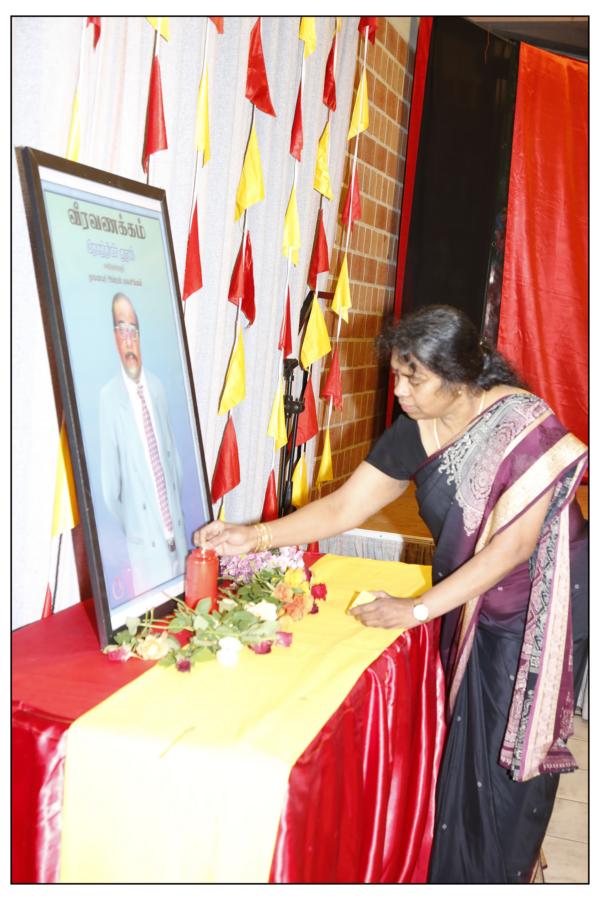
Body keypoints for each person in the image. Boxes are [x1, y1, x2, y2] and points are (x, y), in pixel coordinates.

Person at [194, 305, 588, 884]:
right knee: (466, 753)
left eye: (414, 379)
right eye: (397, 375)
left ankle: (508, 871)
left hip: (538, 609)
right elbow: (345, 507)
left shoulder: (521, 425)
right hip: (469, 600)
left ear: (460, 377)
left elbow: (513, 548)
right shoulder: (412, 432)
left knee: (507, 765)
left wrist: (417, 609)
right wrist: (253, 535)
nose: (399, 391)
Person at [99, 292, 188, 596]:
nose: (129, 340)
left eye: (133, 331)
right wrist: (139, 527)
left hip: (177, 540)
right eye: (122, 330)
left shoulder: (157, 387)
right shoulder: (109, 399)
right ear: (114, 337)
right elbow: (110, 491)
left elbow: (174, 464)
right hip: (145, 553)